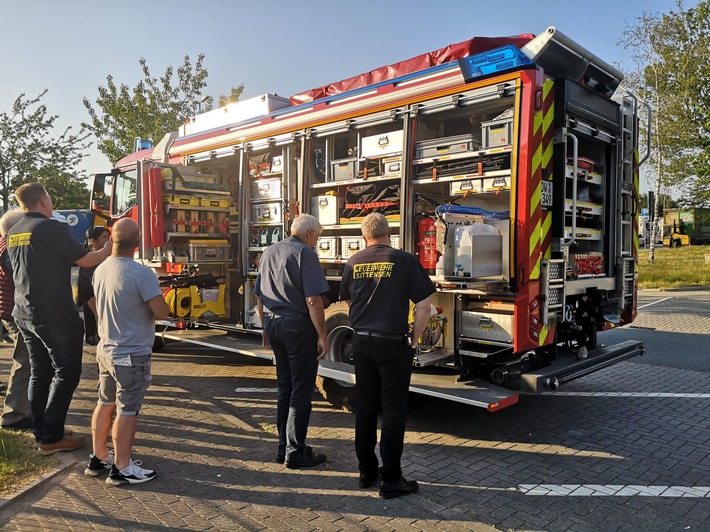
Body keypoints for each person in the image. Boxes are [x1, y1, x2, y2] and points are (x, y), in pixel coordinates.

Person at [7, 183, 112, 454]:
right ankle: (52, 438)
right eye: (50, 198)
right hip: (54, 314)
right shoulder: (50, 227)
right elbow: (87, 260)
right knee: (67, 373)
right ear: (43, 200)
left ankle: (43, 432)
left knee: (39, 373)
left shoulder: (15, 230)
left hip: (24, 313)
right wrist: (110, 249)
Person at [339, 212, 436, 499]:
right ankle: (392, 478)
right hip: (393, 343)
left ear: (363, 236)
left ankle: (366, 471)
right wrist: (414, 338)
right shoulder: (403, 260)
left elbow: (348, 300)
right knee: (393, 407)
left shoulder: (354, 261)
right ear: (388, 233)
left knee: (366, 405)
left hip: (362, 341)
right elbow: (425, 306)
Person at [88, 218, 169, 485]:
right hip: (131, 353)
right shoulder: (141, 273)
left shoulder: (101, 268)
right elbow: (161, 312)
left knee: (104, 403)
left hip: (106, 349)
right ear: (138, 242)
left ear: (111, 239)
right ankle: (122, 467)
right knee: (128, 410)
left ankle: (100, 456)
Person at [254, 213, 329, 469]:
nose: (316, 242)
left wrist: (265, 327)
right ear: (309, 233)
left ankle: (282, 447)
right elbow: (313, 300)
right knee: (301, 389)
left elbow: (259, 296)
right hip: (296, 326)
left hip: (274, 323)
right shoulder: (304, 254)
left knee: (284, 387)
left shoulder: (269, 251)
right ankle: (296, 452)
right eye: (317, 237)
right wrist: (322, 334)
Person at [0, 208, 33, 431]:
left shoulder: (4, 245)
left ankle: (23, 409)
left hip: (8, 308)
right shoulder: (11, 249)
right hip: (15, 311)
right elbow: (24, 278)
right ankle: (13, 415)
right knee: (25, 362)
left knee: (28, 360)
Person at [77, 226, 111, 346]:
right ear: (93, 241)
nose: (108, 240)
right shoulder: (89, 261)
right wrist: (98, 314)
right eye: (104, 237)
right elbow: (86, 289)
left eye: (109, 236)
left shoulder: (110, 258)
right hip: (95, 306)